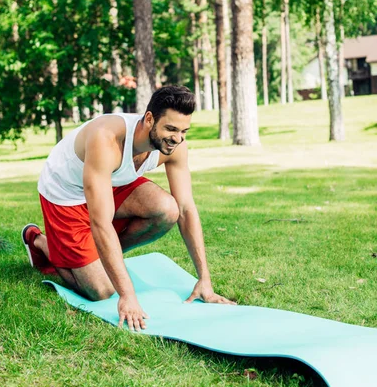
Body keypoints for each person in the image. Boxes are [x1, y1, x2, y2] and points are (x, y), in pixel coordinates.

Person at [22, 85, 235, 332]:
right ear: (148, 119)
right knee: (101, 290)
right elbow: (100, 222)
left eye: (184, 131)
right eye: (171, 129)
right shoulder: (107, 139)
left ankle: (98, 259)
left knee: (168, 209)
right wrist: (128, 295)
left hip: (110, 181)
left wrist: (204, 280)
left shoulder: (175, 146)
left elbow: (186, 209)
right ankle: (39, 241)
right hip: (66, 193)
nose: (177, 138)